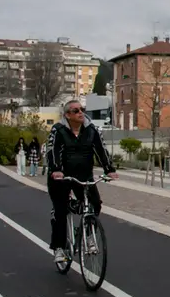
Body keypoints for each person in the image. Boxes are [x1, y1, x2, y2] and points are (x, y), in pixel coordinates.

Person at [46, 100, 118, 264]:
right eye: (76, 110)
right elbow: (53, 151)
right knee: (60, 211)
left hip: (84, 175)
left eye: (82, 109)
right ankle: (59, 247)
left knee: (95, 204)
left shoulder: (92, 130)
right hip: (62, 177)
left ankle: (88, 233)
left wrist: (109, 169)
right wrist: (56, 169)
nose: (81, 113)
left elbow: (101, 149)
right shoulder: (58, 130)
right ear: (67, 115)